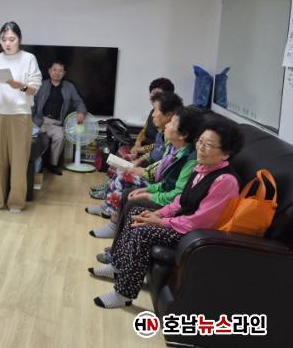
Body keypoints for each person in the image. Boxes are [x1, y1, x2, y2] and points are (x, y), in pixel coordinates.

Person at [89, 118, 243, 309]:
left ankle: (123, 294)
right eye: (200, 142)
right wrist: (159, 214)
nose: (200, 148)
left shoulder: (225, 181)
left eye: (208, 145)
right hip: (182, 222)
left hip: (194, 234)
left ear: (226, 153)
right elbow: (181, 200)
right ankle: (118, 266)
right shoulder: (201, 168)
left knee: (142, 232)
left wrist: (161, 222)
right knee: (137, 212)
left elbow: (201, 221)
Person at [89, 105, 200, 239]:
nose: (153, 114)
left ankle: (116, 229)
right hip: (159, 186)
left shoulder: (189, 159)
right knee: (126, 191)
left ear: (183, 134)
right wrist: (149, 189)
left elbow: (176, 193)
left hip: (165, 197)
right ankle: (116, 231)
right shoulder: (173, 147)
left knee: (130, 195)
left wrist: (150, 194)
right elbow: (162, 174)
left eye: (172, 123)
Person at [86, 91, 184, 219]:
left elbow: (163, 165)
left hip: (156, 182)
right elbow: (156, 151)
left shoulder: (173, 140)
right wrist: (140, 159)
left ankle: (109, 210)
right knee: (123, 163)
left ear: (168, 115)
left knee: (124, 174)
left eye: (155, 110)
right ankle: (107, 199)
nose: (153, 114)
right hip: (152, 173)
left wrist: (143, 170)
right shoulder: (162, 132)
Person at [0, 21, 43, 213]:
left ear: (19, 39)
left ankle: (16, 202)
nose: (7, 43)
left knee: (19, 160)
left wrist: (20, 86)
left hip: (20, 114)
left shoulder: (29, 58)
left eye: (12, 39)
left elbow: (34, 88)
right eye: (4, 39)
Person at [31, 60, 87, 175]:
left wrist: (81, 112)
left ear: (64, 73)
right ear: (49, 71)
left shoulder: (69, 87)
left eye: (60, 71)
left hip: (55, 123)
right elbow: (33, 103)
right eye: (54, 70)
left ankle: (52, 164)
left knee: (60, 137)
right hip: (39, 120)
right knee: (32, 139)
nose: (57, 73)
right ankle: (35, 166)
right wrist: (29, 120)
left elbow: (78, 102)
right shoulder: (41, 85)